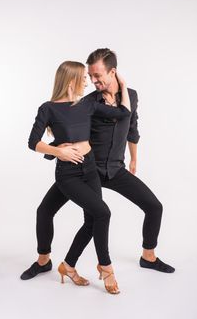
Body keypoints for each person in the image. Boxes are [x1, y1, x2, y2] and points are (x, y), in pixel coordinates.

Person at [21, 48, 174, 286]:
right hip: (79, 169)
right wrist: (58, 149)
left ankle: (147, 256)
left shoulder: (129, 96)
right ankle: (46, 261)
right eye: (88, 77)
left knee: (153, 207)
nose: (92, 81)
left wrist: (134, 159)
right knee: (52, 212)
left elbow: (130, 125)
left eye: (96, 76)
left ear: (112, 72)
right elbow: (67, 127)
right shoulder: (86, 101)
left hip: (112, 169)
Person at [23, 60, 131, 294]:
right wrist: (58, 151)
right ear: (70, 79)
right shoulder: (48, 108)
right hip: (68, 173)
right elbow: (33, 142)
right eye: (83, 78)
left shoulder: (87, 105)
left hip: (89, 168)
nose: (87, 82)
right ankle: (106, 267)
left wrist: (122, 84)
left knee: (90, 219)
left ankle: (68, 266)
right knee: (103, 212)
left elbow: (123, 113)